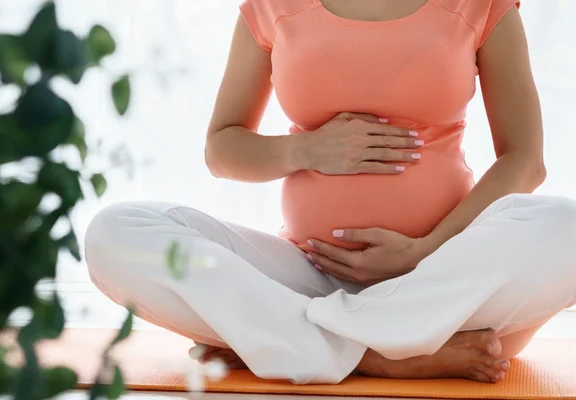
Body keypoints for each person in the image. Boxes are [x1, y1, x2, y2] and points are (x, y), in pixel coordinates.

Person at [84, 0, 576, 385]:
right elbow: (222, 149)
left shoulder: (480, 4)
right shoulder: (274, 5)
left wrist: (425, 251)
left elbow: (525, 161)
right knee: (116, 233)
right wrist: (308, 150)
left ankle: (293, 340)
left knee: (568, 229)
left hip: (440, 285)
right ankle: (379, 356)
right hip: (304, 276)